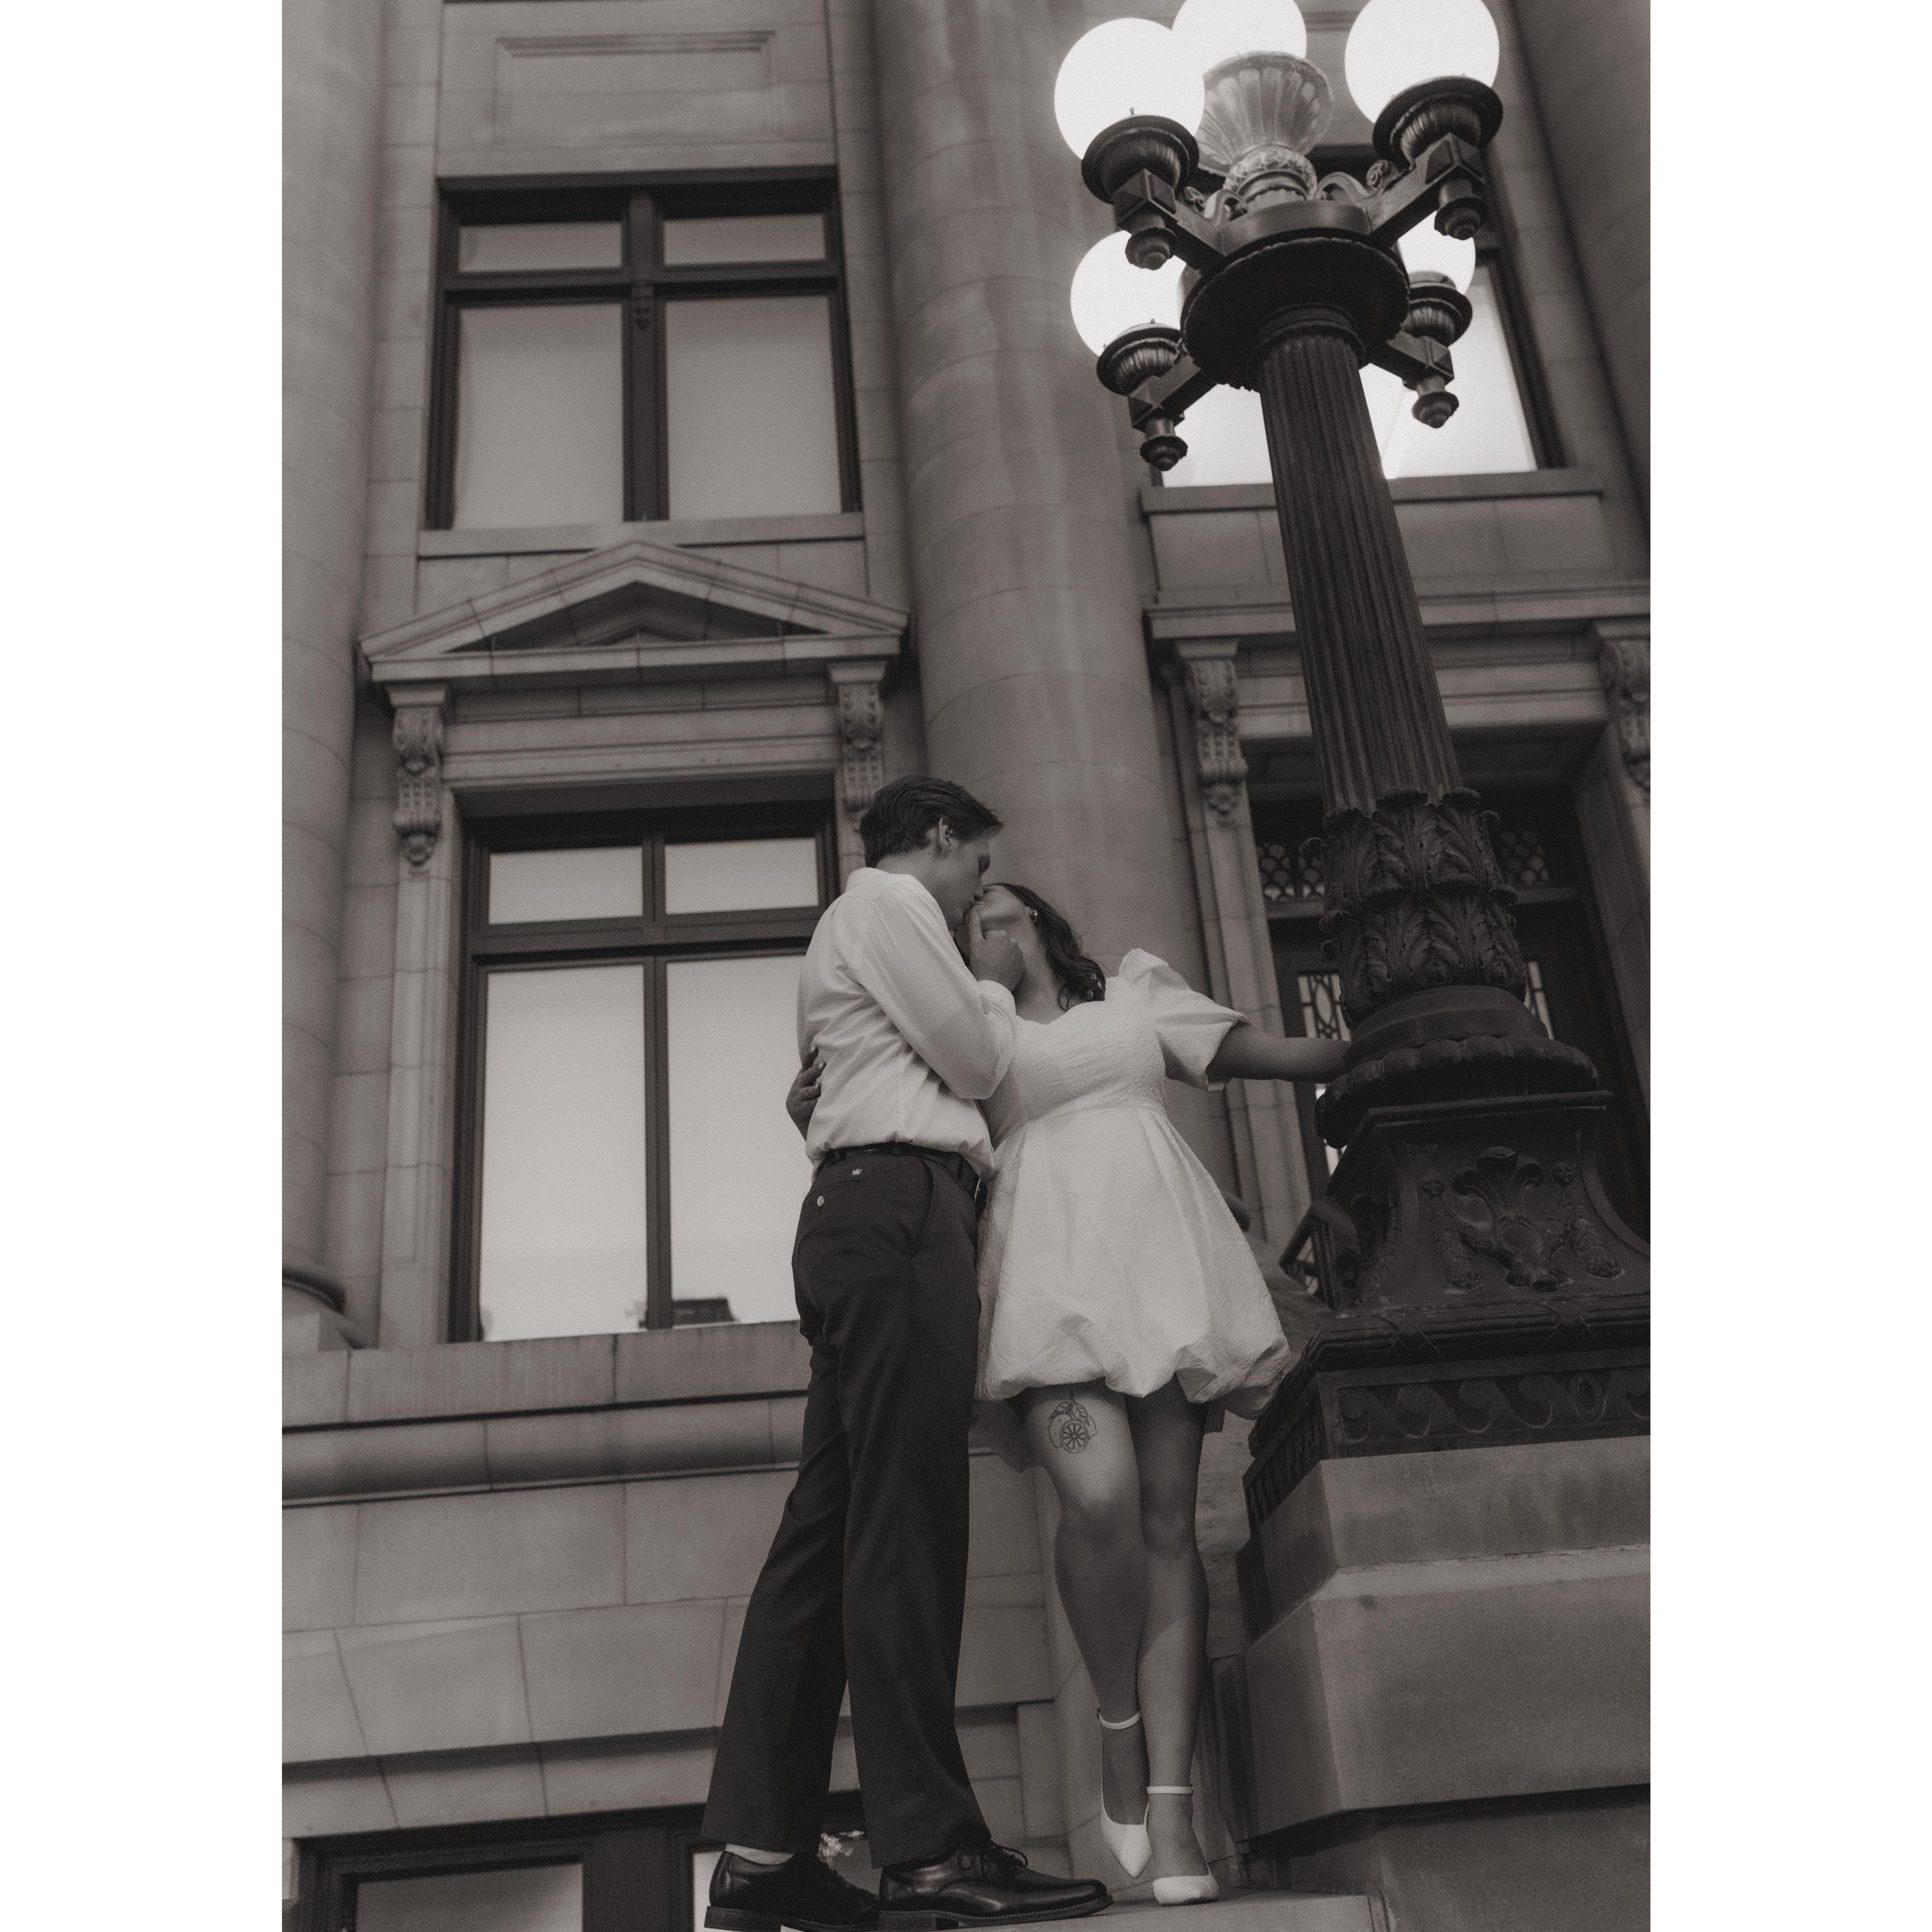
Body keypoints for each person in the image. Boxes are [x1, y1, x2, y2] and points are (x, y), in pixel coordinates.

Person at [789, 883, 1345, 1907]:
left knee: (1169, 1525)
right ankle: (1116, 1726)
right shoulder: (963, 1029)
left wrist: (1379, 1040)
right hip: (1045, 1275)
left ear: (1042, 924)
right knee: (1100, 1496)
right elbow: (864, 1100)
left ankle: (1172, 1812)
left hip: (1159, 1263)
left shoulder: (1134, 995)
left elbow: (1266, 1053)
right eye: (970, 924)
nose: (983, 928)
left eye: (999, 912)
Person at [703, 780, 1113, 1932]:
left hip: (862, 1213)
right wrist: (986, 986)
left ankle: (762, 1855)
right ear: (937, 837)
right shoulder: (889, 907)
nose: (979, 896)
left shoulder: (854, 929)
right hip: (897, 1211)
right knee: (905, 1526)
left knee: (827, 1536)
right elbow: (979, 1063)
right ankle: (931, 1851)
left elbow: (845, 1081)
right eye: (976, 868)